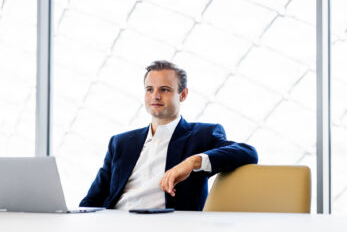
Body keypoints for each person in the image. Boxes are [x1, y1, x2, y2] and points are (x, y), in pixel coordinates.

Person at [79, 60, 258, 211]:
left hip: (168, 228)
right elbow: (92, 200)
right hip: (113, 226)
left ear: (183, 94)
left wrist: (192, 162)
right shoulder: (121, 142)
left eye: (164, 89)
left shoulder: (202, 135)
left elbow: (248, 152)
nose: (155, 96)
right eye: (149, 89)